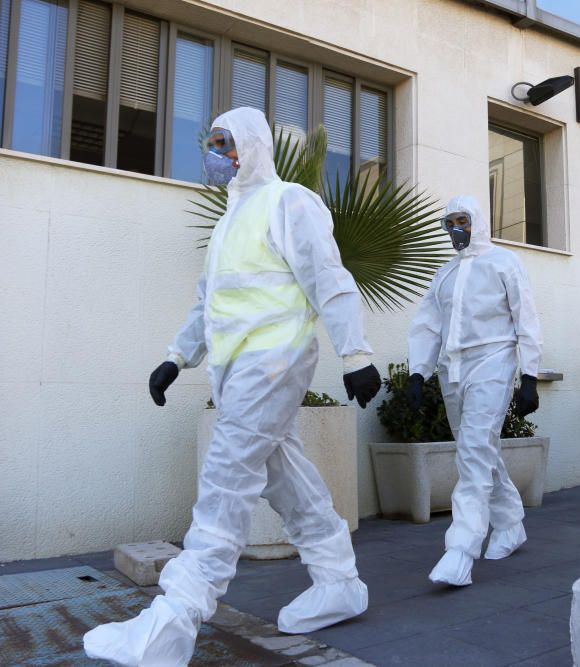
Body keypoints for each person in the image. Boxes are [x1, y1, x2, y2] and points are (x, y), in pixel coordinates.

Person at [83, 107, 382, 666]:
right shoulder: (228, 220)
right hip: (236, 366)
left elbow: (329, 277)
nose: (215, 153)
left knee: (226, 478)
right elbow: (209, 301)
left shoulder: (289, 201)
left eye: (224, 142)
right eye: (212, 143)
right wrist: (176, 358)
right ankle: (339, 580)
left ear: (249, 145)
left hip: (274, 361)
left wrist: (356, 352)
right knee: (284, 474)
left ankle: (174, 621)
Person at [406, 195, 542, 587]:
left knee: (473, 449)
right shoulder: (444, 274)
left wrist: (529, 376)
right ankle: (511, 522)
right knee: (478, 447)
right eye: (448, 223)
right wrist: (418, 372)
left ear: (477, 221)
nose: (455, 230)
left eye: (461, 220)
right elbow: (428, 325)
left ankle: (461, 550)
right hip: (453, 367)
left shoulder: (504, 263)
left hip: (493, 360)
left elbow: (526, 318)